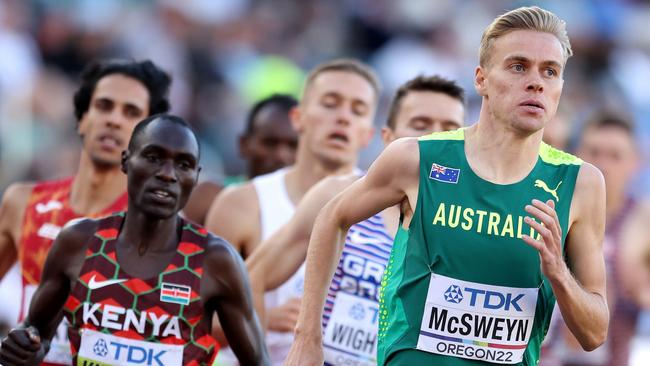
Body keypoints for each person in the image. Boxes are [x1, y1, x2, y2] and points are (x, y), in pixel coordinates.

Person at [286, 6, 609, 366]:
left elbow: (594, 334)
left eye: (550, 71)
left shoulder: (581, 183)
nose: (536, 82)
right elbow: (332, 217)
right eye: (518, 67)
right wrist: (307, 337)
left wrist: (559, 275)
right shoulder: (417, 158)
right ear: (481, 79)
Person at [0, 115, 270, 366]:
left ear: (196, 177)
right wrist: (26, 346)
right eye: (153, 158)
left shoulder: (215, 260)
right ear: (126, 161)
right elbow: (38, 334)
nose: (167, 173)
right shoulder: (79, 242)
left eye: (183, 164)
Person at [246, 75, 465, 365]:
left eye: (449, 131)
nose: (433, 139)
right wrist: (285, 344)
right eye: (420, 126)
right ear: (388, 137)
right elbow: (249, 280)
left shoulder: (465, 228)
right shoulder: (339, 195)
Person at [205, 58, 378, 365]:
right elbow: (194, 316)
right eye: (330, 103)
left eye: (358, 110)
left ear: (368, 133)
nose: (343, 118)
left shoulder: (384, 210)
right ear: (298, 118)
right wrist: (263, 318)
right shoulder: (242, 203)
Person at [0, 59, 172, 365]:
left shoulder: (161, 228)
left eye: (131, 112)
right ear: (82, 119)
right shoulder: (23, 203)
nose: (114, 120)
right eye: (104, 106)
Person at [553, 113, 643, 366]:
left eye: (615, 156)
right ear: (576, 154)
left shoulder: (640, 223)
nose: (602, 163)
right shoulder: (554, 210)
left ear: (635, 162)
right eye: (593, 152)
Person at [183, 94, 298, 225]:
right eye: (270, 143)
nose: (281, 155)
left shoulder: (312, 208)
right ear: (243, 145)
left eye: (293, 145)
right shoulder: (209, 197)